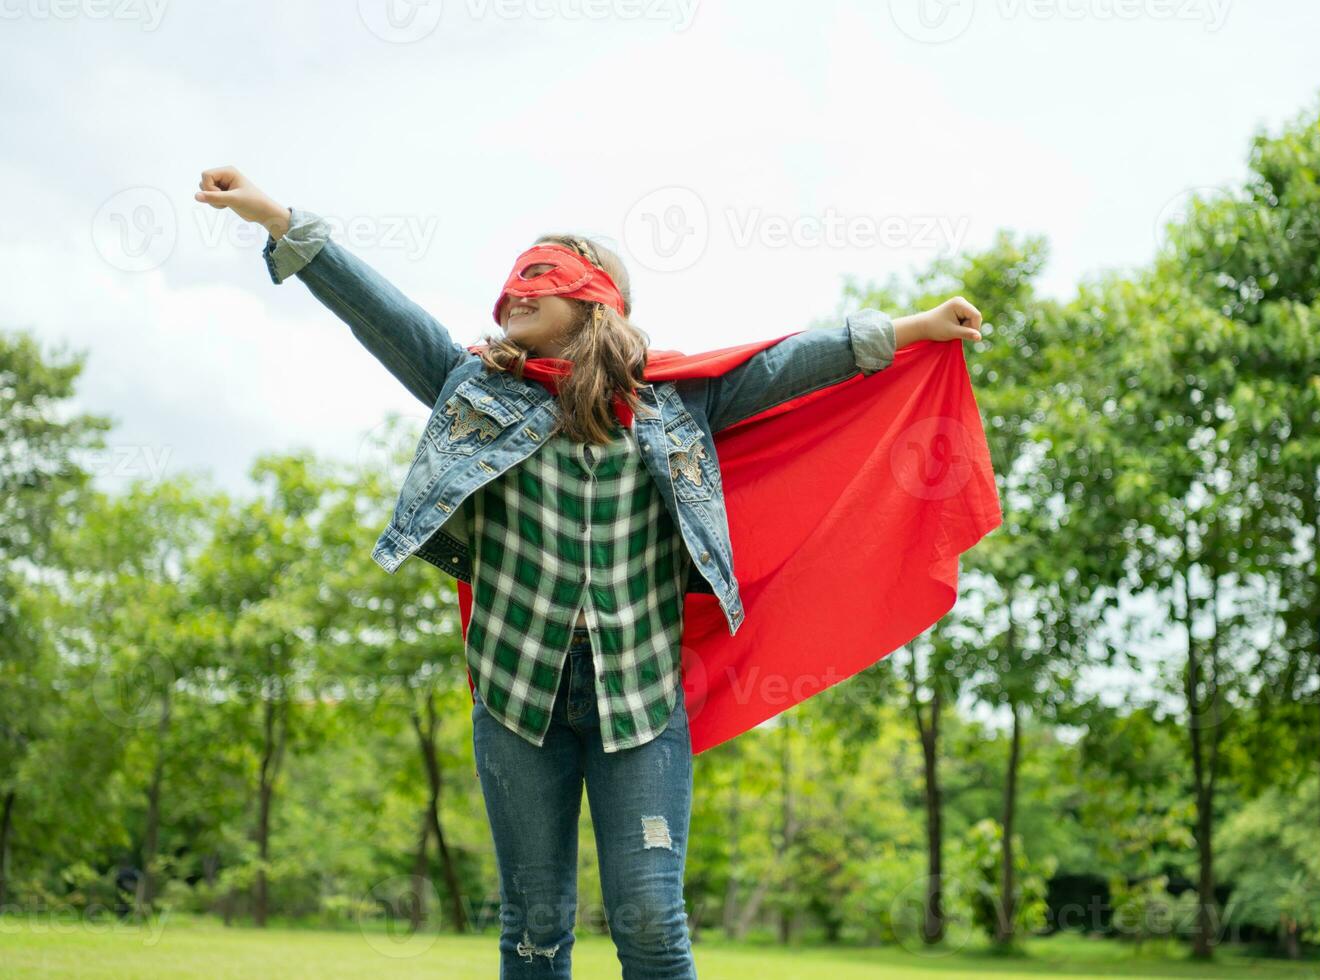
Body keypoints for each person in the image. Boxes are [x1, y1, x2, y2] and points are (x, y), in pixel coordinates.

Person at [195, 164, 984, 979]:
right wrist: (275, 217)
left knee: (649, 920)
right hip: (515, 697)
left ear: (595, 298)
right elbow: (377, 310)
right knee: (535, 928)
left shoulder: (676, 402)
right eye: (513, 284)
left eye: (542, 278)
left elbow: (792, 362)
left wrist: (917, 326)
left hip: (640, 702)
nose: (515, 295)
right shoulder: (472, 386)